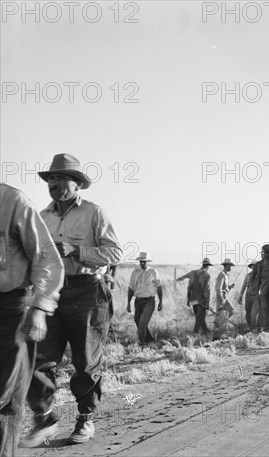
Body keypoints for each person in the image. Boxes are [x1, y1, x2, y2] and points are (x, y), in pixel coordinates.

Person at [24, 153, 123, 446]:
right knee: (38, 357)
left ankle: (85, 419)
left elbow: (115, 253)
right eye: (50, 179)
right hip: (52, 293)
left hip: (87, 292)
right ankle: (45, 417)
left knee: (85, 360)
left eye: (60, 178)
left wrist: (78, 251)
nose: (53, 184)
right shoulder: (42, 218)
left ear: (77, 182)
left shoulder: (94, 213)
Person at [0, 184, 64, 457]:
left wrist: (39, 308)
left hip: (9, 308)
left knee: (4, 396)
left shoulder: (12, 201)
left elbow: (48, 260)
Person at [126, 252, 163, 345]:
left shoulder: (153, 272)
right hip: (138, 301)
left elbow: (159, 287)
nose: (142, 263)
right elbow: (131, 288)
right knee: (138, 322)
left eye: (144, 262)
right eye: (141, 261)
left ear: (148, 262)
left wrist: (160, 302)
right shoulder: (135, 272)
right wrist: (128, 303)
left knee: (142, 323)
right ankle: (149, 340)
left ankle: (142, 344)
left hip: (149, 301)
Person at [176, 258, 212, 335]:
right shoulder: (207, 275)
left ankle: (206, 331)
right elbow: (207, 291)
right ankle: (195, 334)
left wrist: (188, 300)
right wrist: (208, 303)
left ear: (202, 264)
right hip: (201, 301)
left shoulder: (193, 272)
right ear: (208, 266)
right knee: (199, 318)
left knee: (199, 317)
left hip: (193, 299)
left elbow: (183, 278)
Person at [214, 258, 236, 335]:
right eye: (230, 266)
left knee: (221, 313)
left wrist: (230, 287)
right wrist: (222, 299)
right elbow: (218, 288)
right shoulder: (222, 275)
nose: (230, 267)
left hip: (224, 296)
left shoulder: (226, 275)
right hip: (222, 297)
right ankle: (221, 324)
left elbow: (224, 287)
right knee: (231, 311)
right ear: (226, 265)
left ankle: (220, 327)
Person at [239, 262, 261, 332]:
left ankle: (253, 328)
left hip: (256, 296)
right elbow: (243, 286)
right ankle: (250, 327)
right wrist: (240, 295)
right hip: (248, 296)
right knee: (248, 312)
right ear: (251, 267)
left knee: (253, 313)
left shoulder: (260, 276)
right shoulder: (248, 276)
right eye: (252, 266)